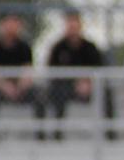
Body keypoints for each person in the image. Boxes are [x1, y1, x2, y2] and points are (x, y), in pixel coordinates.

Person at [45, 11, 113, 139]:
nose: (73, 29)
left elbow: (100, 69)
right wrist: (74, 83)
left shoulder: (90, 47)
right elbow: (52, 72)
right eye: (70, 26)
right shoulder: (58, 48)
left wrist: (88, 83)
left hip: (89, 86)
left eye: (75, 26)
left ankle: (111, 134)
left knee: (107, 93)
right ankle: (57, 135)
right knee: (57, 93)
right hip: (66, 87)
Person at [0, 14, 45, 143]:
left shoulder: (24, 47)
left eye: (15, 23)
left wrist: (20, 86)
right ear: (2, 25)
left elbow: (28, 70)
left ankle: (40, 135)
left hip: (19, 87)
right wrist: (5, 86)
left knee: (40, 93)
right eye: (8, 23)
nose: (11, 27)